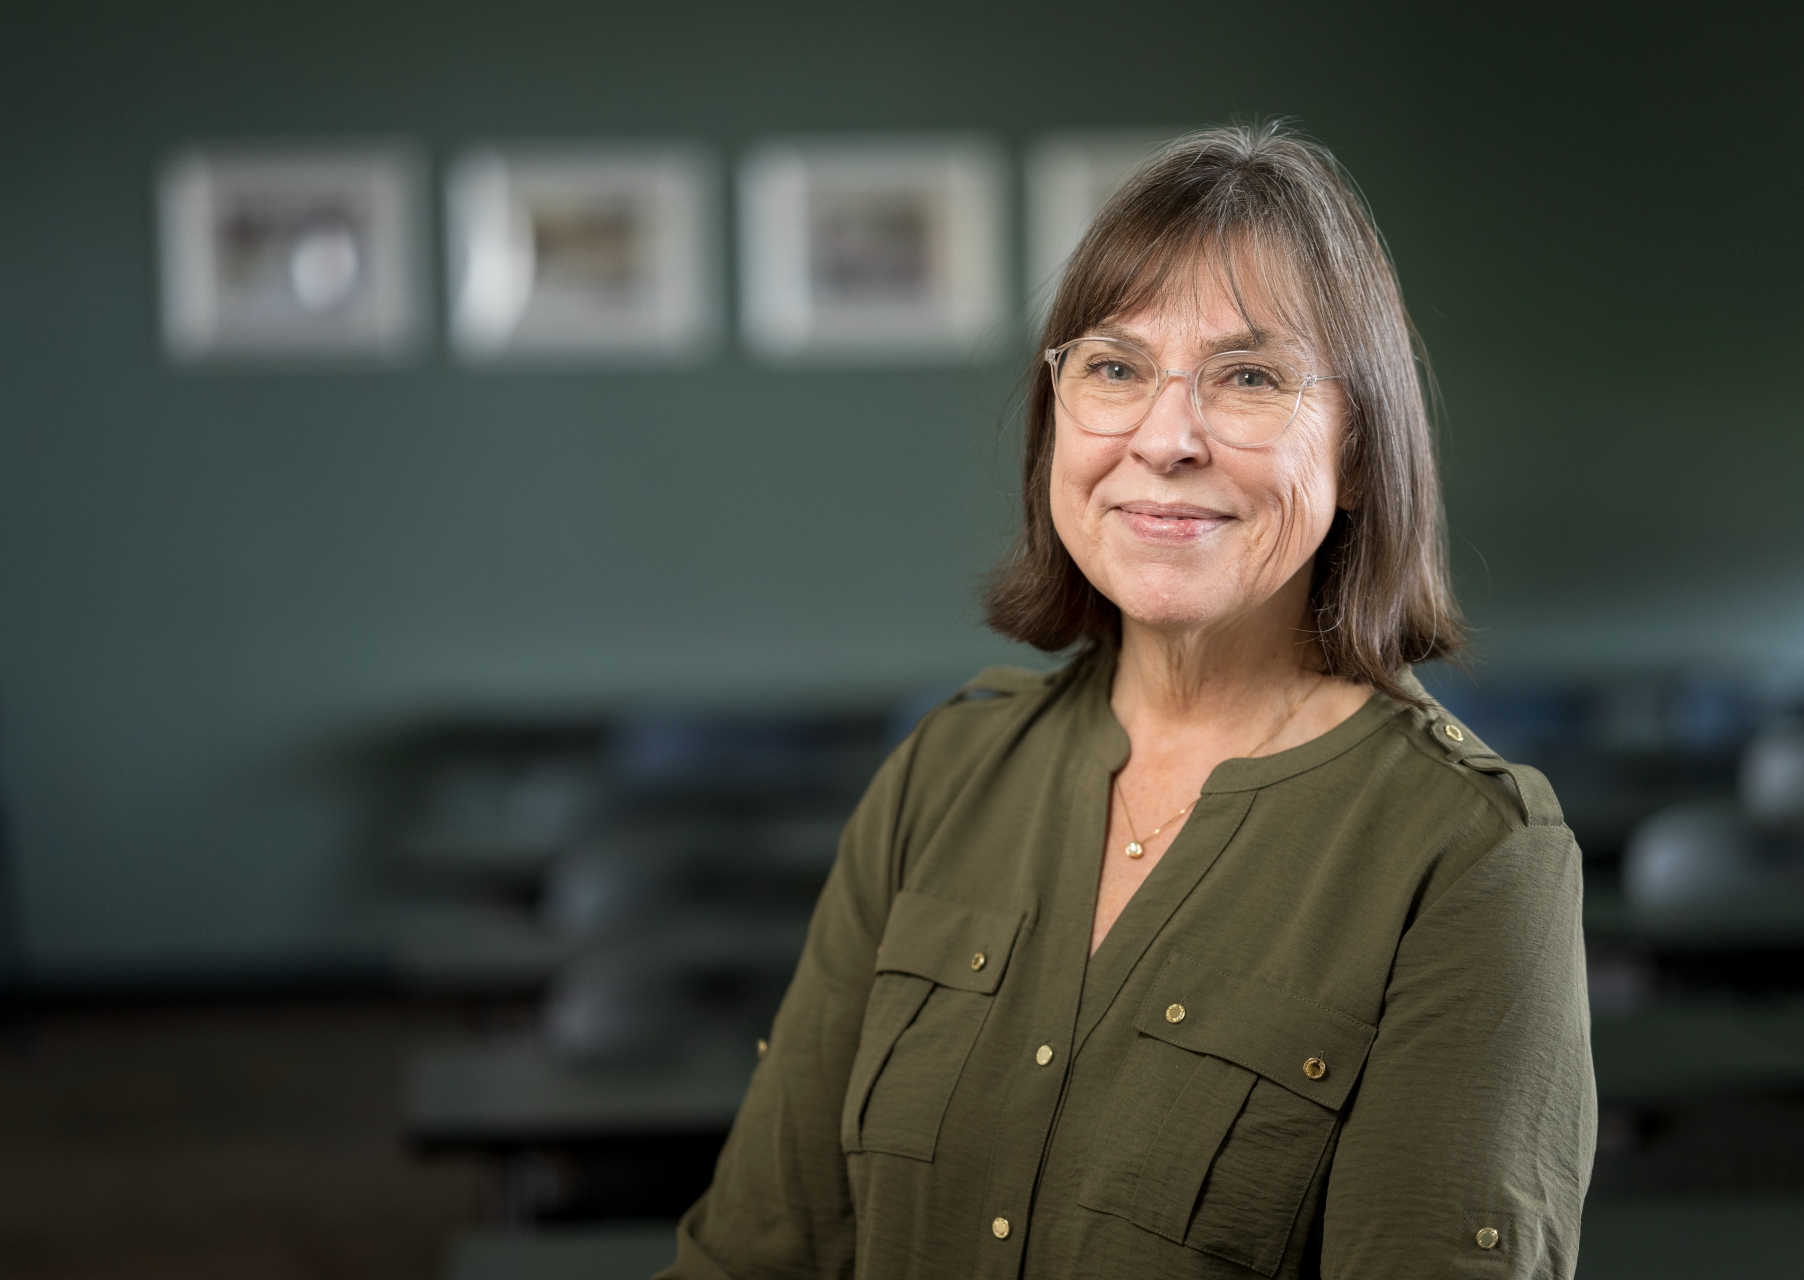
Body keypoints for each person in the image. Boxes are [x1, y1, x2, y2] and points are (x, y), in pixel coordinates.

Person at [662, 123, 1595, 1280]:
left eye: (1249, 377)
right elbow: (761, 1247)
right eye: (1113, 365)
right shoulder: (945, 770)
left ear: (1359, 451)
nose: (1165, 437)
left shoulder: (1472, 855)